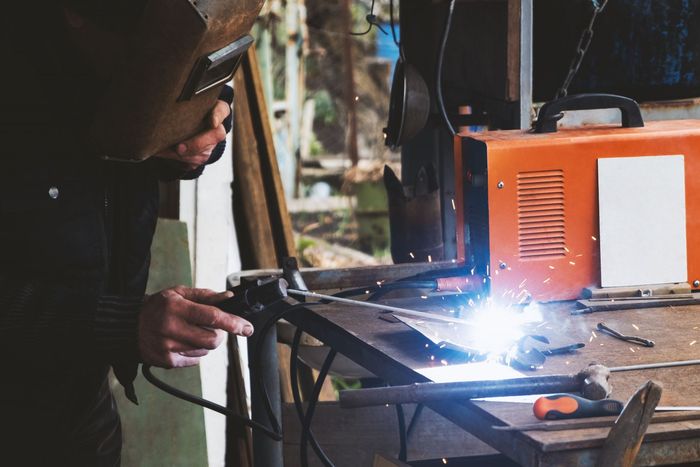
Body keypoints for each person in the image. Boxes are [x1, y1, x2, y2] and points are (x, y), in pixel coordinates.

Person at [0, 1, 253, 465]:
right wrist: (120, 322)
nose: (161, 68)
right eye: (152, 48)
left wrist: (201, 130)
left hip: (83, 402)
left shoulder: (118, 49)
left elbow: (122, 145)